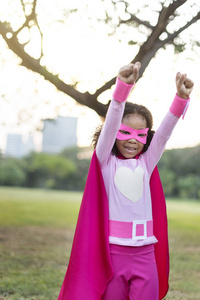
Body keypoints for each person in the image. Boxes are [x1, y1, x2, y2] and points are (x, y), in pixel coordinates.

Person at [57, 63, 194, 300]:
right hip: (112, 254)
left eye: (140, 135)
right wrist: (122, 88)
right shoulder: (104, 162)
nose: (133, 140)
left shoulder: (146, 163)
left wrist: (180, 99)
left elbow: (163, 134)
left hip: (145, 254)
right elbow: (111, 123)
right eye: (126, 133)